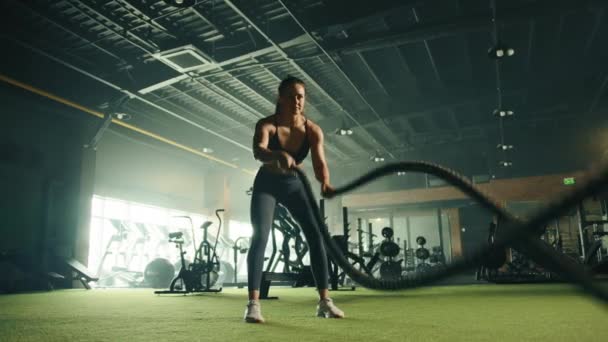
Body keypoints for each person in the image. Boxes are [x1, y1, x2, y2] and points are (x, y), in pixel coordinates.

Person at [244, 75, 344, 323]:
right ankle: (253, 305)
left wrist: (325, 183)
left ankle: (324, 302)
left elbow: (320, 163)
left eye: (300, 96)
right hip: (267, 184)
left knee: (316, 236)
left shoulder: (312, 130)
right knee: (260, 236)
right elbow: (259, 151)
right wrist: (277, 154)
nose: (297, 101)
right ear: (281, 98)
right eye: (291, 96)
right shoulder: (267, 124)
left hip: (294, 186)